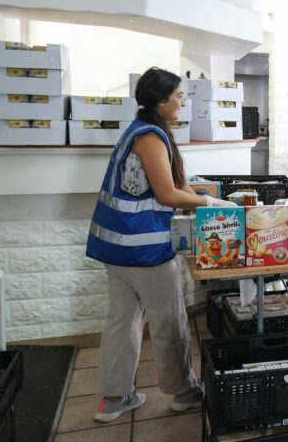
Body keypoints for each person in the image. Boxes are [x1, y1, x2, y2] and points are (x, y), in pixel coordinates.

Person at [86, 67, 236, 422]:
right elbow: (167, 194)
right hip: (145, 251)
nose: (183, 102)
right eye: (179, 96)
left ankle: (113, 399)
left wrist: (199, 196)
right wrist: (214, 205)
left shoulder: (134, 132)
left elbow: (163, 187)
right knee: (169, 320)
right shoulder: (151, 138)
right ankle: (184, 392)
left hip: (116, 249)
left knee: (122, 322)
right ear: (160, 100)